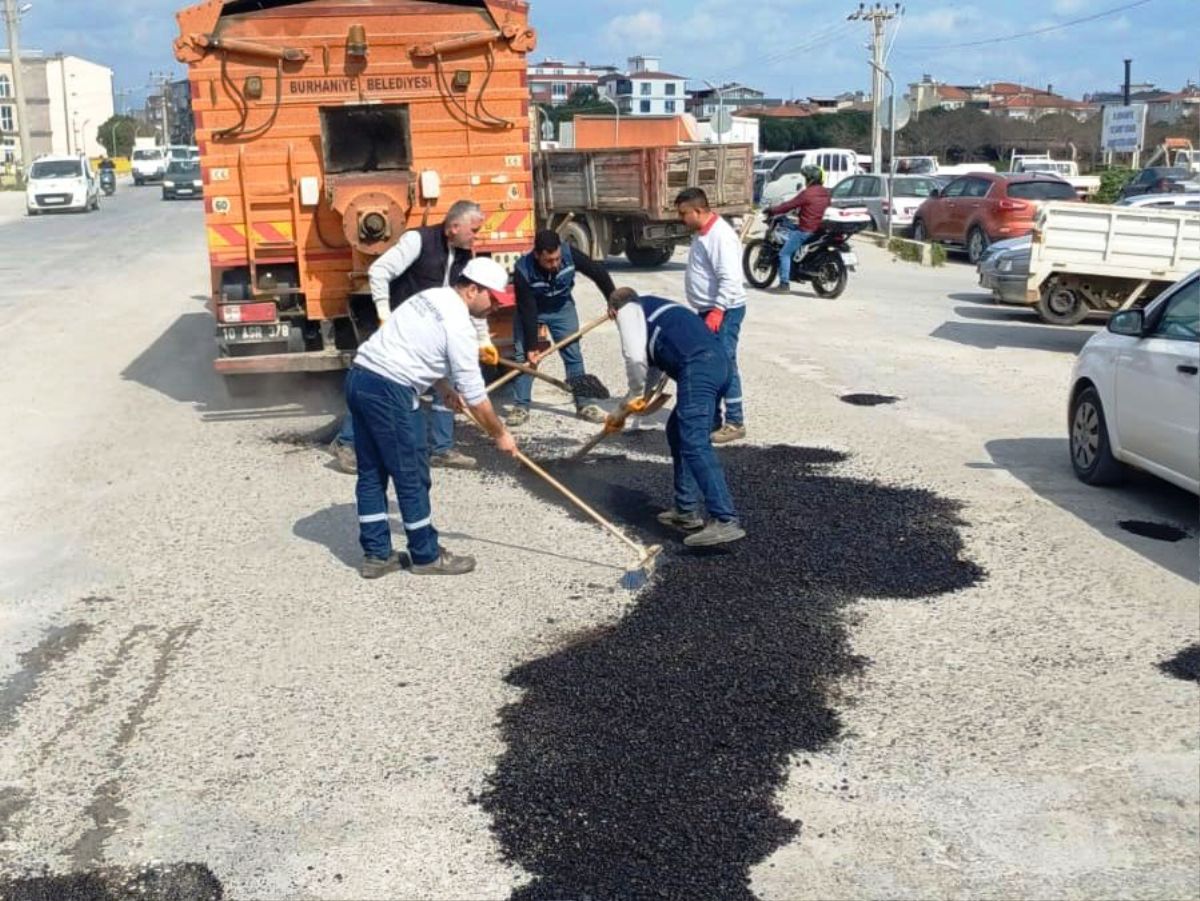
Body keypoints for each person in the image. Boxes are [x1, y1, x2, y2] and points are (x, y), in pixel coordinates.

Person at [347, 257, 518, 579]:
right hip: (389, 391)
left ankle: (377, 555)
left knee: (371, 471)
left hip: (360, 378)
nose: (495, 306)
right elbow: (477, 397)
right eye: (492, 298)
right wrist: (500, 434)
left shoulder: (430, 297)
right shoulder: (460, 326)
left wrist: (442, 387)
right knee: (410, 473)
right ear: (471, 289)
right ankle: (425, 555)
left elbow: (414, 346)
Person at [330, 200, 497, 473]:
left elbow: (471, 301)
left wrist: (483, 339)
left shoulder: (466, 256)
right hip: (403, 329)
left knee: (449, 383)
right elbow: (379, 271)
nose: (476, 236)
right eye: (474, 230)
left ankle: (441, 449)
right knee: (381, 379)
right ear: (454, 227)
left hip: (437, 331)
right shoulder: (418, 241)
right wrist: (384, 312)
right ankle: (346, 443)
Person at [606, 287, 746, 548]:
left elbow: (635, 360)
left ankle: (725, 518)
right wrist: (624, 410)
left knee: (693, 442)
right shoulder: (654, 310)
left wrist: (634, 396)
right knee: (677, 431)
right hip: (718, 364)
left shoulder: (628, 311)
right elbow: (652, 369)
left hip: (699, 367)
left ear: (613, 311)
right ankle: (686, 510)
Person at [508, 229, 616, 427]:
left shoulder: (569, 254)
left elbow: (598, 272)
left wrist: (612, 300)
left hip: (561, 307)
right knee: (524, 358)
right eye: (549, 261)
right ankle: (521, 406)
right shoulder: (523, 269)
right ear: (537, 255)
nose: (555, 264)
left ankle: (584, 404)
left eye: (557, 259)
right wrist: (532, 346)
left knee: (572, 354)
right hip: (533, 310)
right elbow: (527, 310)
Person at [675, 187, 748, 446]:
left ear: (698, 210)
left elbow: (730, 277)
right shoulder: (702, 234)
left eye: (684, 213)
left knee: (724, 363)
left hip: (724, 310)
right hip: (708, 309)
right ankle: (713, 418)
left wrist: (717, 310)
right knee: (710, 364)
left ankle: (735, 421)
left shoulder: (720, 237)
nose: (682, 219)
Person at [764, 165, 831, 295]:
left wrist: (772, 210)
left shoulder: (807, 193)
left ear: (810, 179)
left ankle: (784, 284)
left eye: (806, 178)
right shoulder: (826, 193)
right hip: (819, 229)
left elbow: (789, 205)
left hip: (806, 230)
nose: (805, 180)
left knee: (784, 253)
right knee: (792, 229)